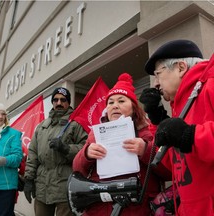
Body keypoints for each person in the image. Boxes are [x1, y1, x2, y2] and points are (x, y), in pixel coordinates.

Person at [72, 73, 171, 216]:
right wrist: (86, 154)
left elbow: (168, 172)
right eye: (110, 102)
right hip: (99, 210)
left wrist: (145, 150)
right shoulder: (95, 134)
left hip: (136, 210)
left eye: (121, 101)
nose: (115, 106)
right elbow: (77, 169)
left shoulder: (148, 133)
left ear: (134, 107)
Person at [141, 39, 214, 216]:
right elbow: (176, 165)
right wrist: (158, 120)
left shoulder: (210, 86)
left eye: (158, 74)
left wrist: (190, 136)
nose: (155, 84)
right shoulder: (180, 107)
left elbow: (190, 139)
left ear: (181, 67)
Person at [24, 87, 88, 216]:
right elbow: (33, 153)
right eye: (55, 100)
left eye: (63, 100)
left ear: (68, 102)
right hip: (42, 186)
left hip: (65, 185)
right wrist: (29, 180)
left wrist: (66, 148)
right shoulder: (42, 126)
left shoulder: (75, 124)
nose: (59, 103)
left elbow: (85, 149)